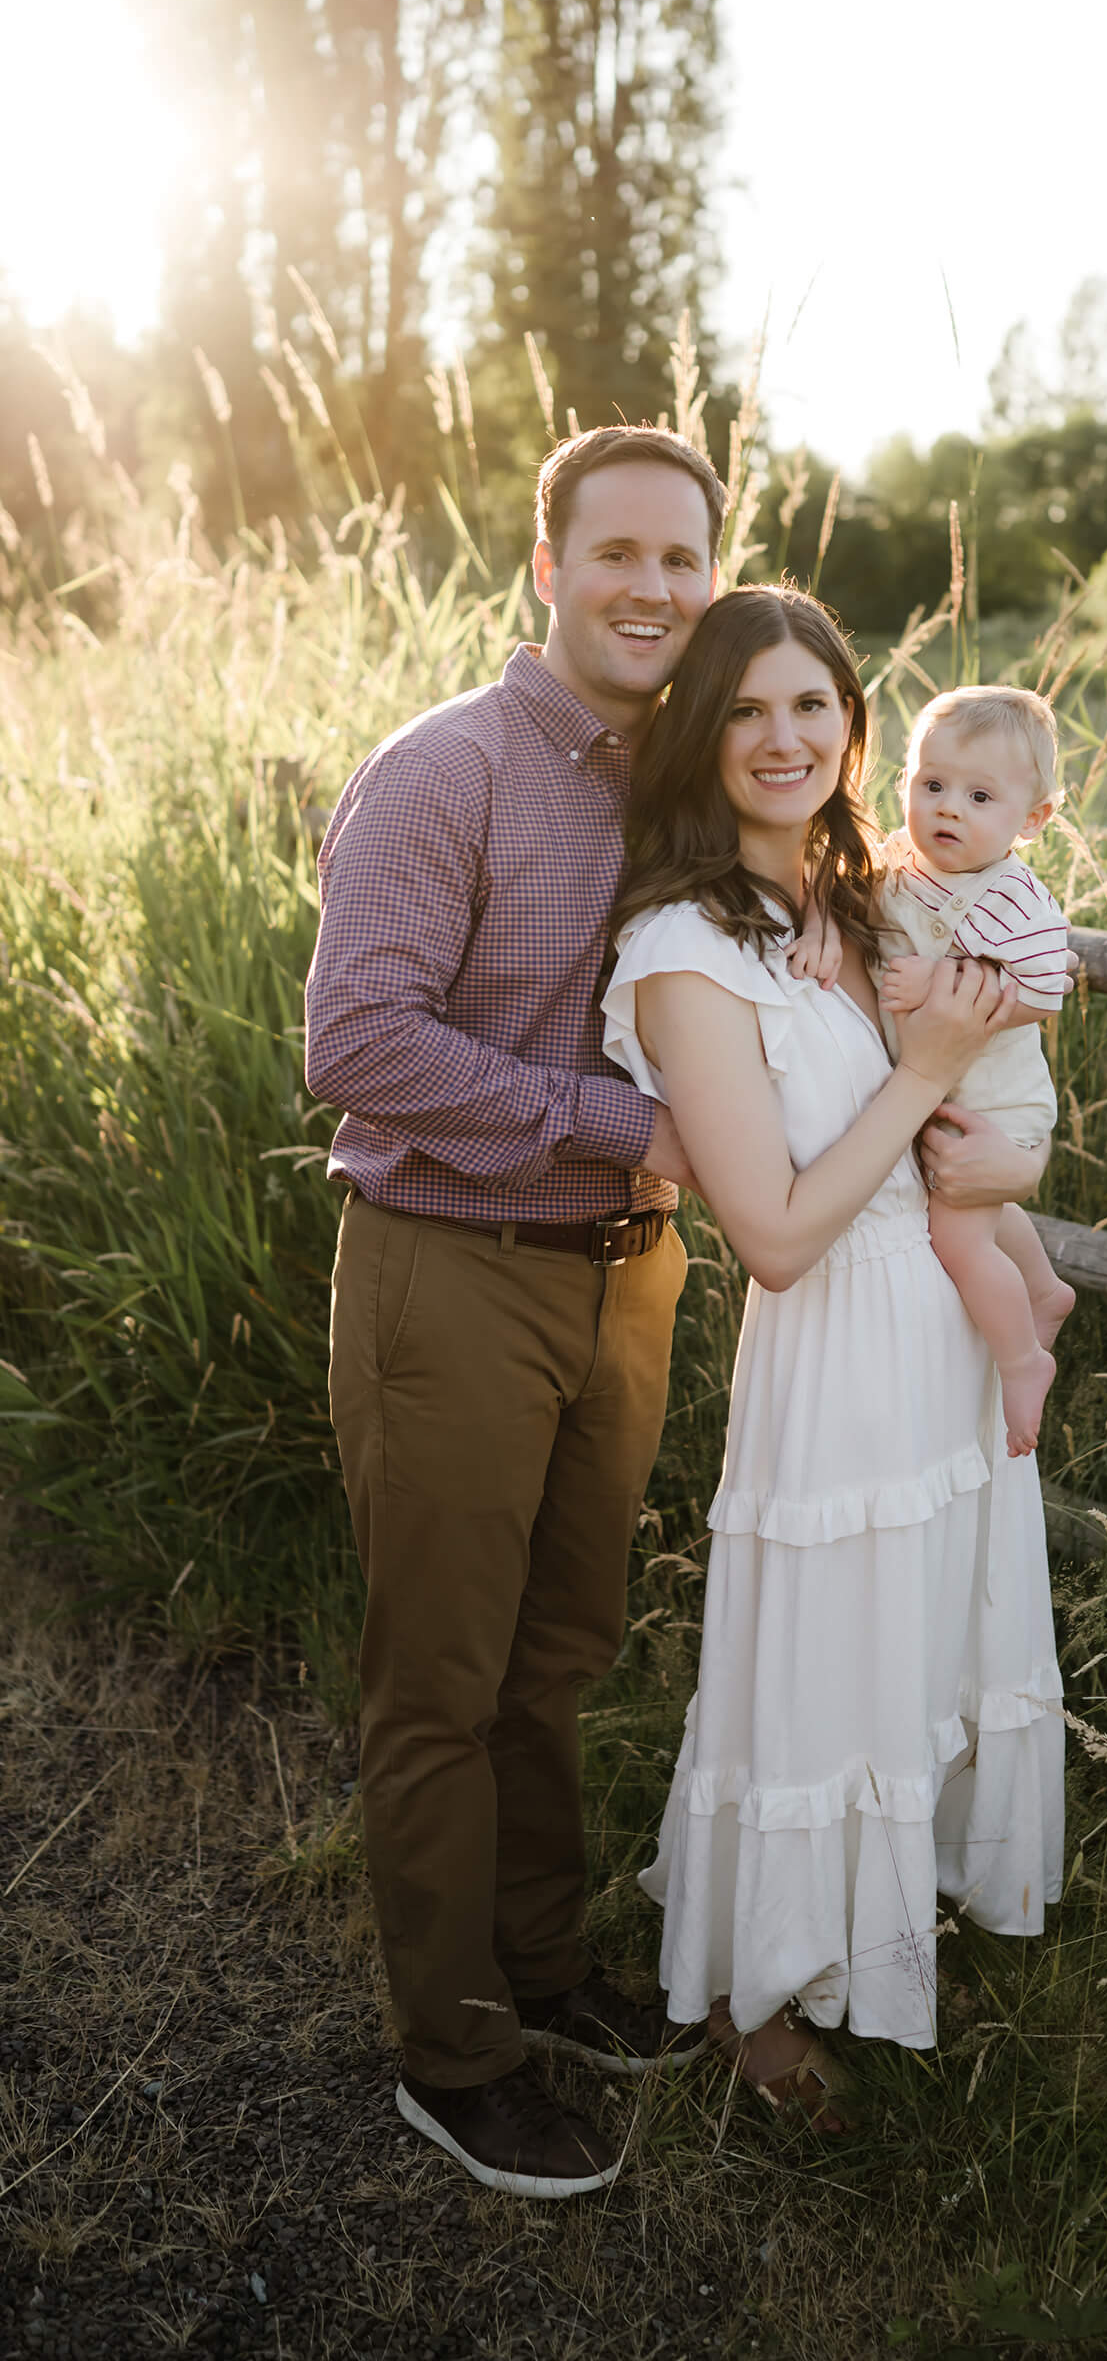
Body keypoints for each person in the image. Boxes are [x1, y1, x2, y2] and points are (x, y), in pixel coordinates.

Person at [303, 424, 726, 2200]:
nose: (646, 586)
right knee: (442, 1682)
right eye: (613, 552)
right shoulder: (446, 773)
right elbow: (360, 1045)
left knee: (559, 1661)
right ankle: (450, 2056)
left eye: (679, 560)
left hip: (627, 1284)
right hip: (452, 1273)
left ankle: (541, 1976)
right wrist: (625, 1128)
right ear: (544, 566)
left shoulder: (694, 780)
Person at [602, 584, 1065, 2130]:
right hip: (833, 1341)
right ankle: (756, 1990)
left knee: (917, 1640)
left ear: (852, 723)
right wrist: (927, 1063)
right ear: (701, 733)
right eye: (745, 709)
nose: (783, 736)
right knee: (817, 1664)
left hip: (935, 1328)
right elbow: (777, 1234)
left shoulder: (862, 895)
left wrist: (963, 1096)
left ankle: (887, 1922)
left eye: (811, 705)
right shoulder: (681, 950)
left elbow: (976, 1086)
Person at [796, 685, 1077, 1457]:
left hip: (995, 1105)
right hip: (936, 1096)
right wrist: (820, 922)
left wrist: (941, 983)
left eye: (979, 796)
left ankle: (1024, 1361)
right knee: (979, 1209)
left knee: (957, 1237)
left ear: (1031, 820)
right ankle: (1045, 1289)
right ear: (905, 786)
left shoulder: (1015, 901)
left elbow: (1042, 995)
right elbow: (829, 883)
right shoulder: (895, 864)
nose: (948, 808)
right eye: (932, 786)